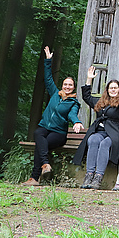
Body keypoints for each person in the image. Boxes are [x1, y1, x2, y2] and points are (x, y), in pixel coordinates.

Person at [22, 46, 83, 186]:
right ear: (62, 85)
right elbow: (48, 77)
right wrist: (48, 61)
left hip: (59, 133)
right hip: (45, 127)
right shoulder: (55, 94)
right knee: (38, 132)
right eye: (65, 84)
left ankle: (35, 178)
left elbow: (72, 115)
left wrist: (76, 122)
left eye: (70, 85)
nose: (67, 87)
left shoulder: (74, 102)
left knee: (41, 144)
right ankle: (45, 166)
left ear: (73, 87)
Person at [72, 68, 119, 190]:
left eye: (115, 88)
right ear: (107, 90)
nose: (113, 90)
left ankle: (98, 177)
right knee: (93, 140)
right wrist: (89, 79)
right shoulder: (101, 101)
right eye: (111, 88)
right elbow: (86, 96)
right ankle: (89, 175)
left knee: (104, 144)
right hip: (100, 131)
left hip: (114, 134)